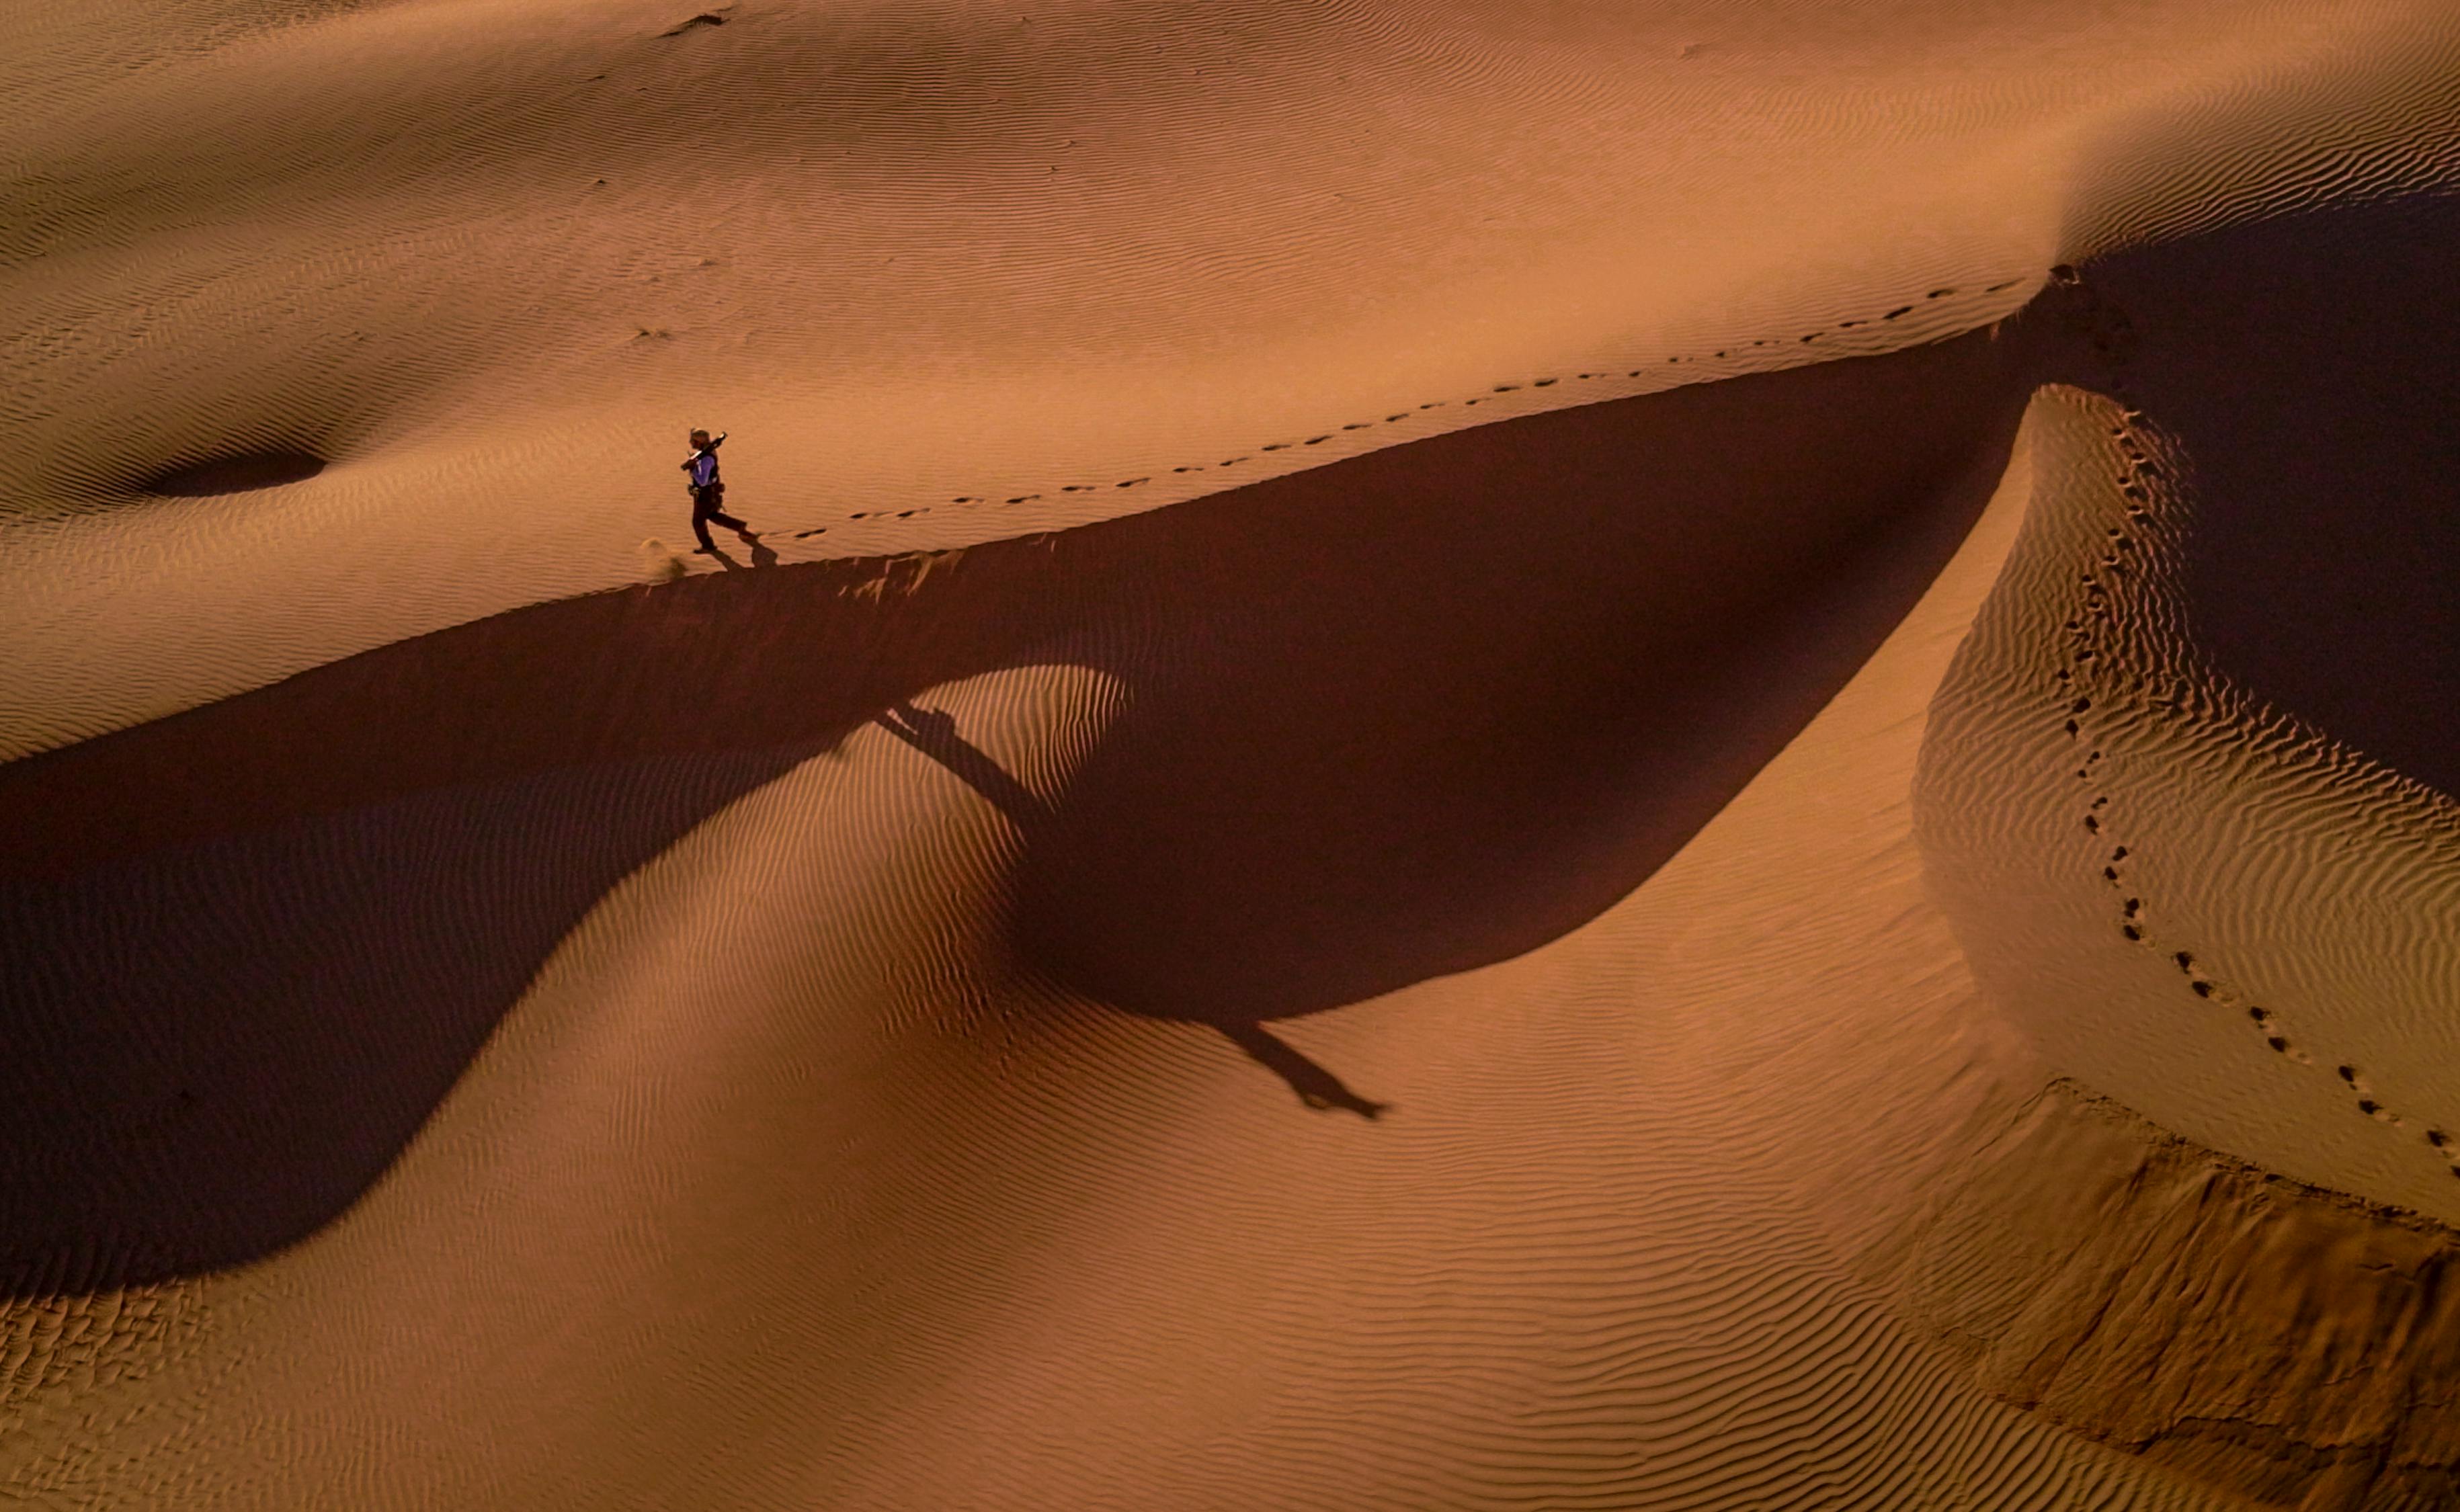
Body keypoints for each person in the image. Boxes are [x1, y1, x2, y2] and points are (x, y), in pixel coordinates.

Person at [680, 428, 754, 552]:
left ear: (699, 442)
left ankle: (708, 546)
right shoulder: (705, 454)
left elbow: (703, 481)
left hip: (706, 493)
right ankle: (740, 527)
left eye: (693, 440)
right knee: (712, 515)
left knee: (698, 522)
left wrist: (692, 469)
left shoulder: (706, 459)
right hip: (708, 492)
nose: (690, 442)